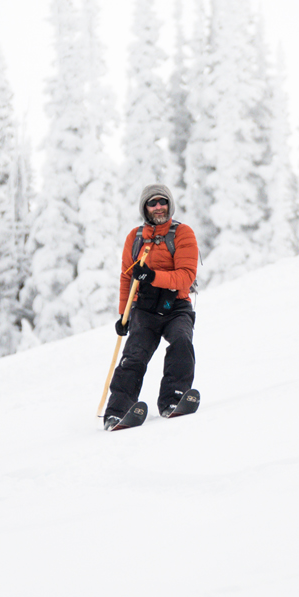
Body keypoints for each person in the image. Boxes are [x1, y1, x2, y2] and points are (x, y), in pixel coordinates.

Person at [103, 183, 198, 427]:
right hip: (144, 309)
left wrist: (152, 276)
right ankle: (117, 411)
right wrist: (123, 314)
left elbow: (186, 276)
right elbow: (127, 276)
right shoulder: (134, 238)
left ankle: (173, 399)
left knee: (181, 342)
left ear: (170, 204)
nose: (158, 207)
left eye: (162, 201)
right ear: (145, 208)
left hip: (176, 306)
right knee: (133, 357)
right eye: (152, 203)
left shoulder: (183, 233)